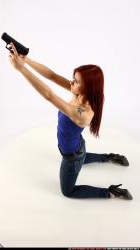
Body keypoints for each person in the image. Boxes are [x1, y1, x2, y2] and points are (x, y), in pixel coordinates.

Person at [8, 42, 133, 200]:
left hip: (72, 157)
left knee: (68, 191)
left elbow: (49, 96)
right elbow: (52, 76)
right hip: (77, 146)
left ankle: (110, 192)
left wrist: (22, 70)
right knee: (82, 155)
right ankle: (108, 157)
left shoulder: (84, 112)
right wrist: (26, 60)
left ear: (88, 88)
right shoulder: (79, 94)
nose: (71, 82)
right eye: (74, 78)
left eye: (76, 81)